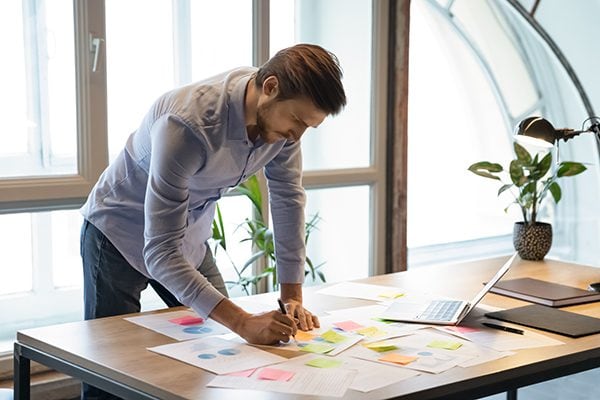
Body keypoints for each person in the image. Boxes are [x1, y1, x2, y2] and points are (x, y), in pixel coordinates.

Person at [79, 43, 346, 398]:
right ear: (270, 87)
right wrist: (242, 321)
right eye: (297, 121)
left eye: (309, 126)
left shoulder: (282, 126)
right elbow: (159, 251)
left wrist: (292, 297)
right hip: (117, 232)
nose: (297, 136)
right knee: (110, 374)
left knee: (219, 356)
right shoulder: (186, 125)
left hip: (187, 235)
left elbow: (287, 198)